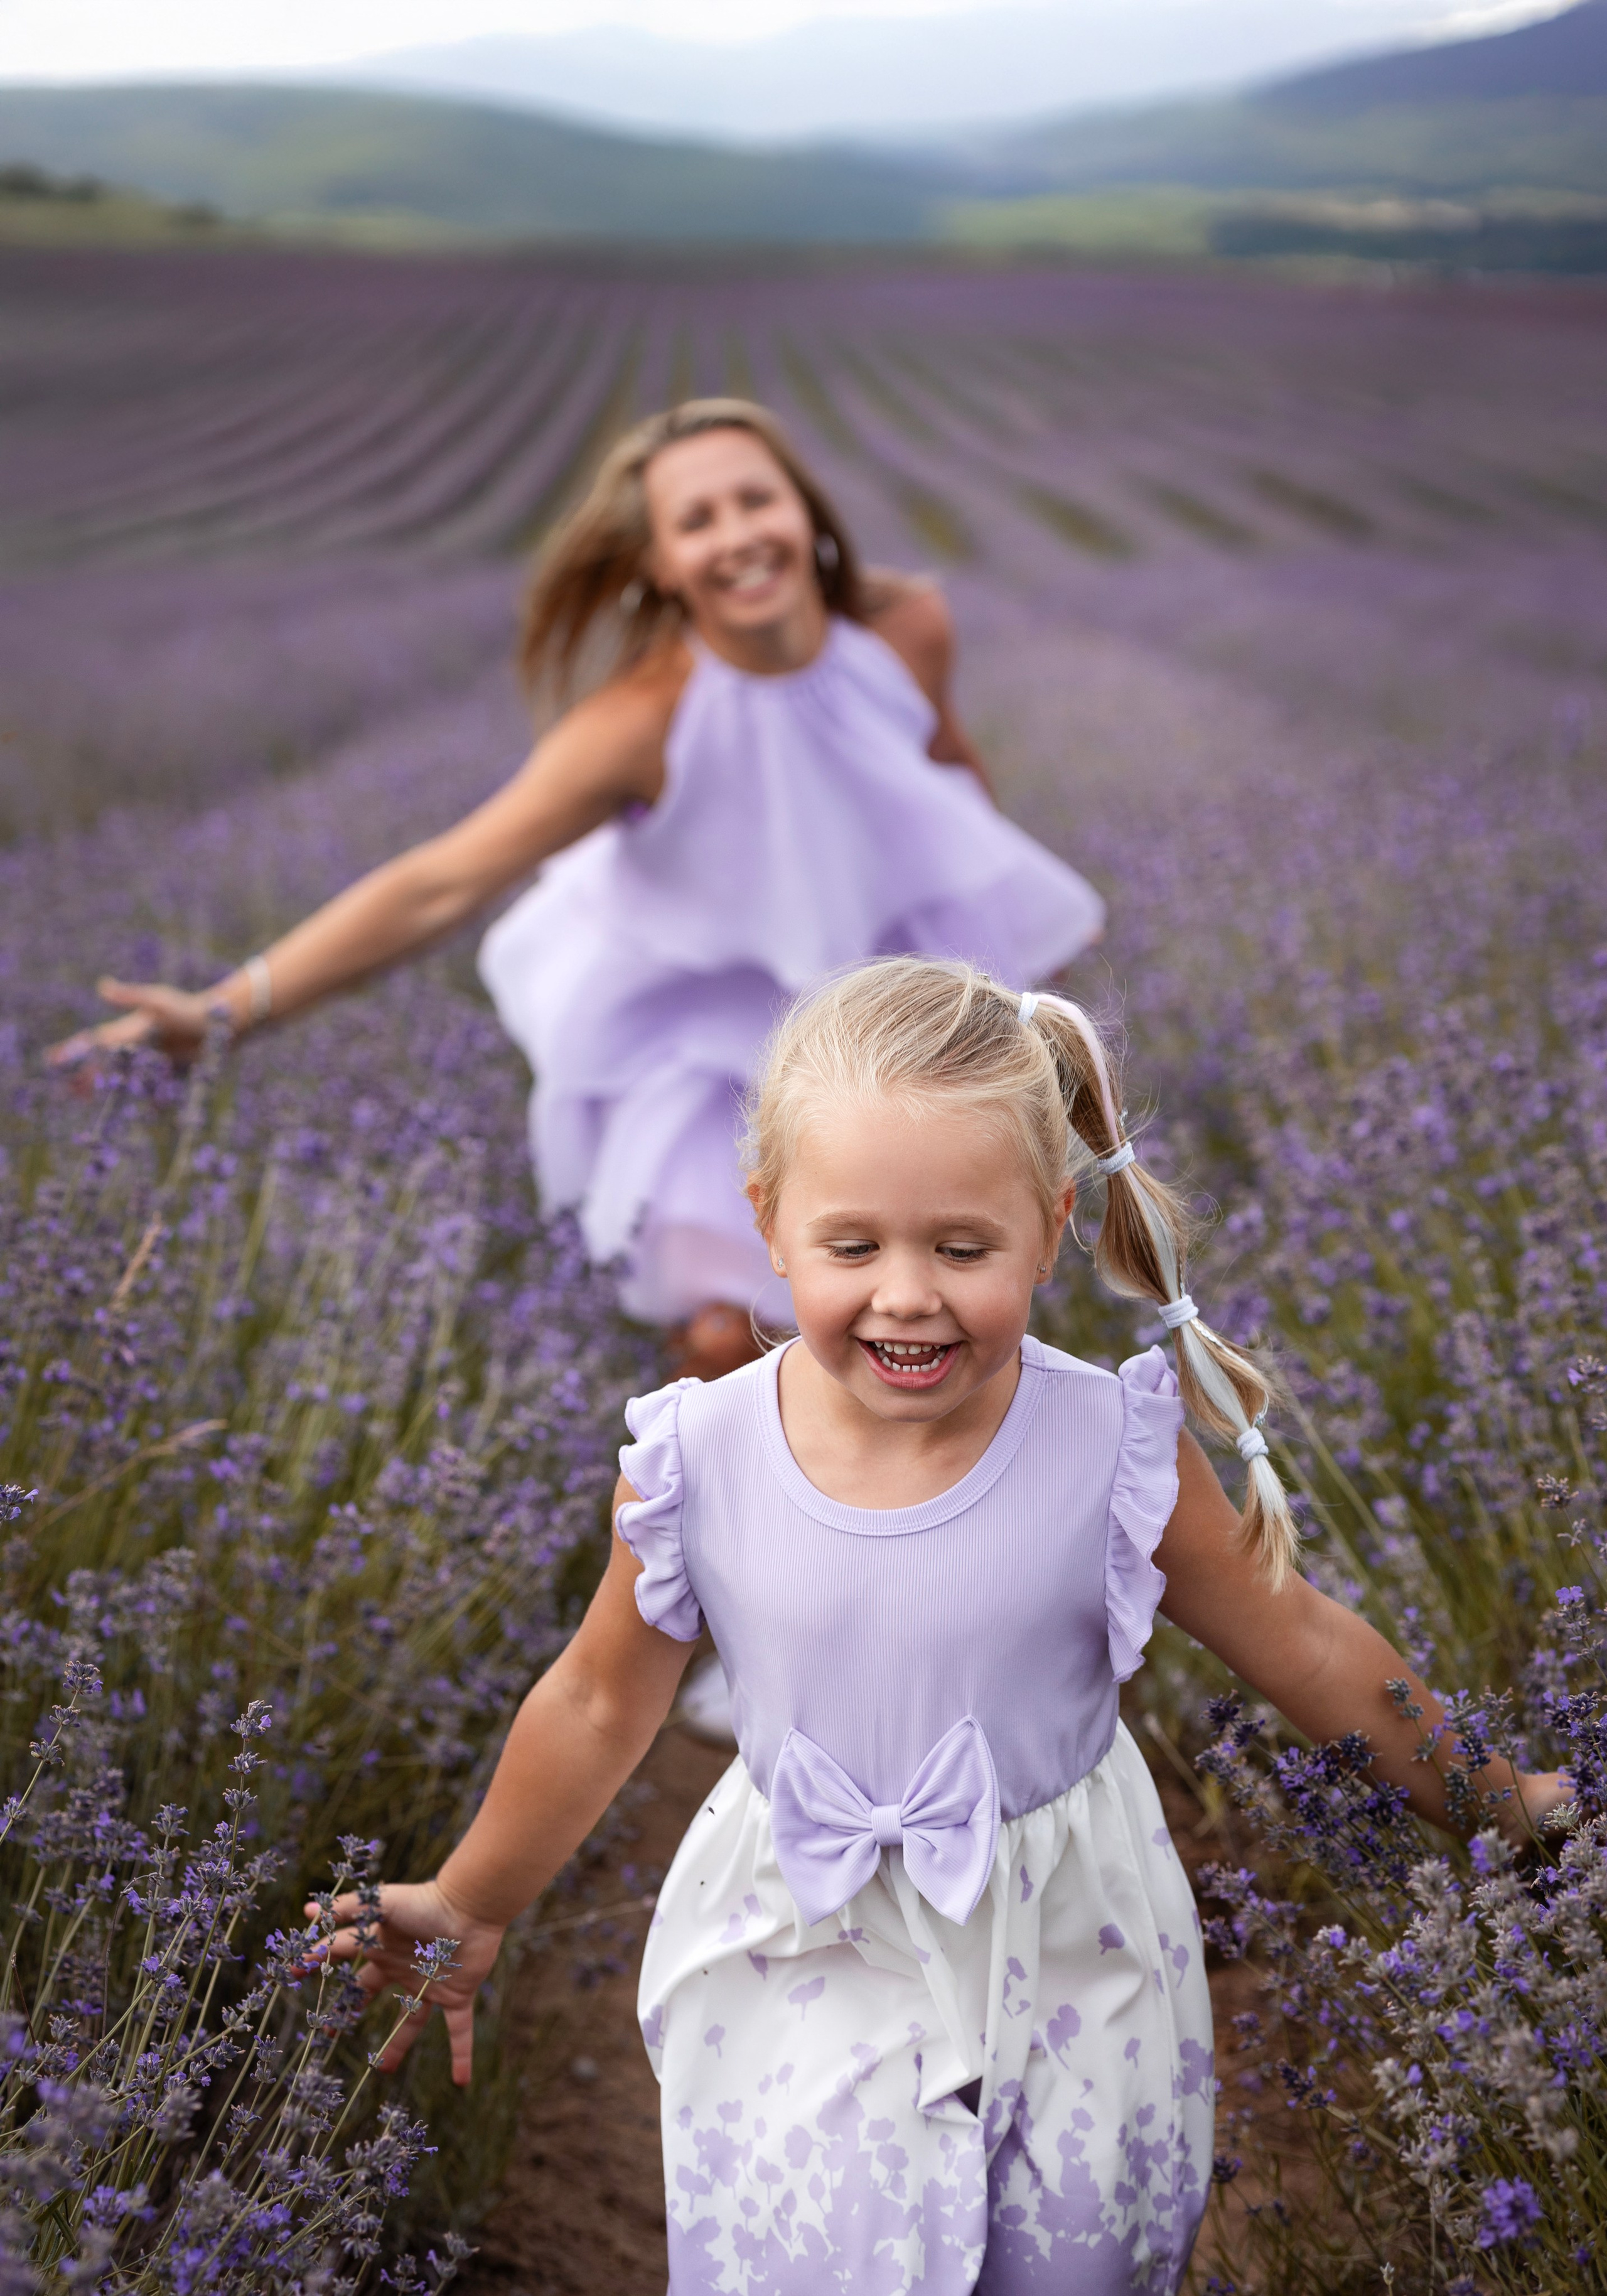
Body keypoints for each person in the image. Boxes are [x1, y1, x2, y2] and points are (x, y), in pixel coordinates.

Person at [304, 957, 1569, 2295]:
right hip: (804, 1936)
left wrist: (1503, 1803)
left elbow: (1299, 1639)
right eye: (852, 1247)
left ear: (1051, 1225)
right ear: (768, 1222)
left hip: (1074, 1938)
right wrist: (470, 1897)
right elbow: (599, 1696)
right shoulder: (699, 1454)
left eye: (962, 1248)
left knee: (1079, 2261)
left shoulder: (1110, 1443)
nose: (906, 1293)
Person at [49, 401, 1105, 1381]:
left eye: (756, 499)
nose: (738, 535)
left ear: (805, 511)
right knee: (734, 1343)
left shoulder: (906, 629)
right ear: (660, 563)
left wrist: (1010, 950)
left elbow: (946, 771)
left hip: (886, 1013)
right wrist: (223, 1012)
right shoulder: (642, 722)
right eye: (697, 520)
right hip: (715, 1057)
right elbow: (437, 883)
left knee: (939, 1303)